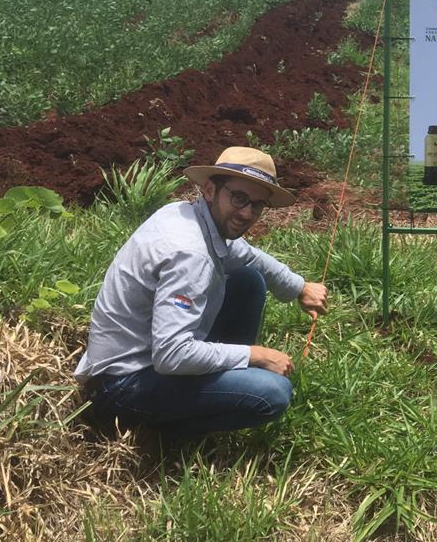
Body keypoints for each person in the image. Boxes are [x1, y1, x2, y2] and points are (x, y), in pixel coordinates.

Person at [74, 146, 328, 441]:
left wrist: (299, 287)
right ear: (210, 189)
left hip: (138, 363)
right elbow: (171, 355)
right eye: (239, 198)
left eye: (257, 205)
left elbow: (248, 255)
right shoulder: (190, 254)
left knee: (248, 280)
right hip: (121, 389)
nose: (246, 213)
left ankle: (217, 390)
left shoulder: (185, 214)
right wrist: (255, 356)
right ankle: (168, 437)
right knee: (272, 392)